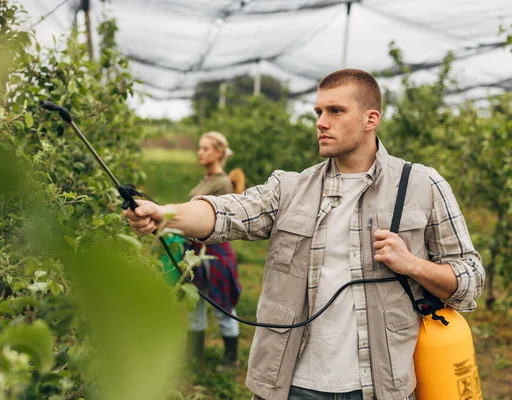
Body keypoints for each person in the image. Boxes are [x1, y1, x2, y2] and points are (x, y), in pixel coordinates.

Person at [125, 69, 484, 400]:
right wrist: (166, 213)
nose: (321, 123)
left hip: (380, 386)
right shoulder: (291, 188)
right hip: (290, 384)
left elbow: (470, 280)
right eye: (317, 113)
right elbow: (229, 212)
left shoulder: (423, 185)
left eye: (335, 111)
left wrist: (413, 265)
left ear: (370, 119)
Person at [183, 131, 242, 370]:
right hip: (196, 250)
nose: (200, 152)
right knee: (194, 303)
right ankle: (193, 356)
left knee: (222, 306)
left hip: (214, 253)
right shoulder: (207, 179)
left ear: (218, 152)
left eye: (205, 148)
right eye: (199, 148)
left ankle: (232, 359)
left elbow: (221, 222)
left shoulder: (222, 183)